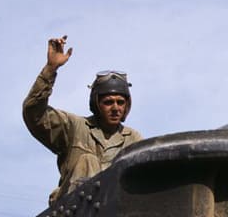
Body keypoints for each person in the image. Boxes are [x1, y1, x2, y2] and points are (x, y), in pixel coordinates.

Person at [23, 34, 143, 202]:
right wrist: (50, 69)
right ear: (96, 104)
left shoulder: (133, 139)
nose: (115, 108)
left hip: (117, 213)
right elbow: (34, 113)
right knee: (88, 160)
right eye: (108, 102)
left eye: (120, 102)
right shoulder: (75, 127)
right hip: (74, 214)